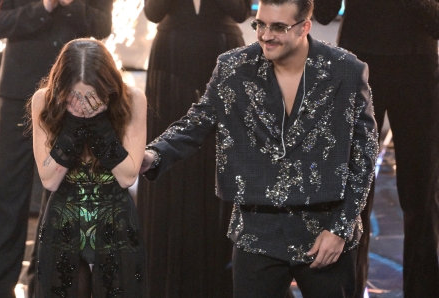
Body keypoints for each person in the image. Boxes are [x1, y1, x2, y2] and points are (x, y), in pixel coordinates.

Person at [140, 0, 379, 297]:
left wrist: (340, 229)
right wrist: (154, 155)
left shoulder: (346, 70)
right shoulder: (234, 67)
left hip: (324, 231)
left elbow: (364, 153)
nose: (266, 35)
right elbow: (197, 122)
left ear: (305, 26)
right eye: (260, 24)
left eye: (278, 27)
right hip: (257, 230)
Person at [0, 0, 113, 297]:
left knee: (62, 196)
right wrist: (45, 7)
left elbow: (103, 27)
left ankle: (46, 286)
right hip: (17, 92)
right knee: (6, 192)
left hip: (75, 93)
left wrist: (72, 6)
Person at [313, 1, 439, 297]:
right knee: (350, 196)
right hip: (359, 62)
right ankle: (346, 289)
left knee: (422, 196)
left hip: (417, 65)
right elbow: (324, 11)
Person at [137, 0, 251, 296]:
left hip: (223, 50)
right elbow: (153, 12)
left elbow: (241, 11)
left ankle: (221, 270)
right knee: (168, 153)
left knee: (220, 158)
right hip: (170, 56)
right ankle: (165, 273)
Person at [29, 38, 147, 297]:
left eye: (92, 96)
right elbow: (49, 180)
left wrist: (98, 123)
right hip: (63, 222)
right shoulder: (43, 101)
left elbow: (127, 176)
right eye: (75, 96)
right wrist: (72, 124)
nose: (83, 104)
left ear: (108, 88)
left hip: (116, 222)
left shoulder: (132, 99)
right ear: (62, 89)